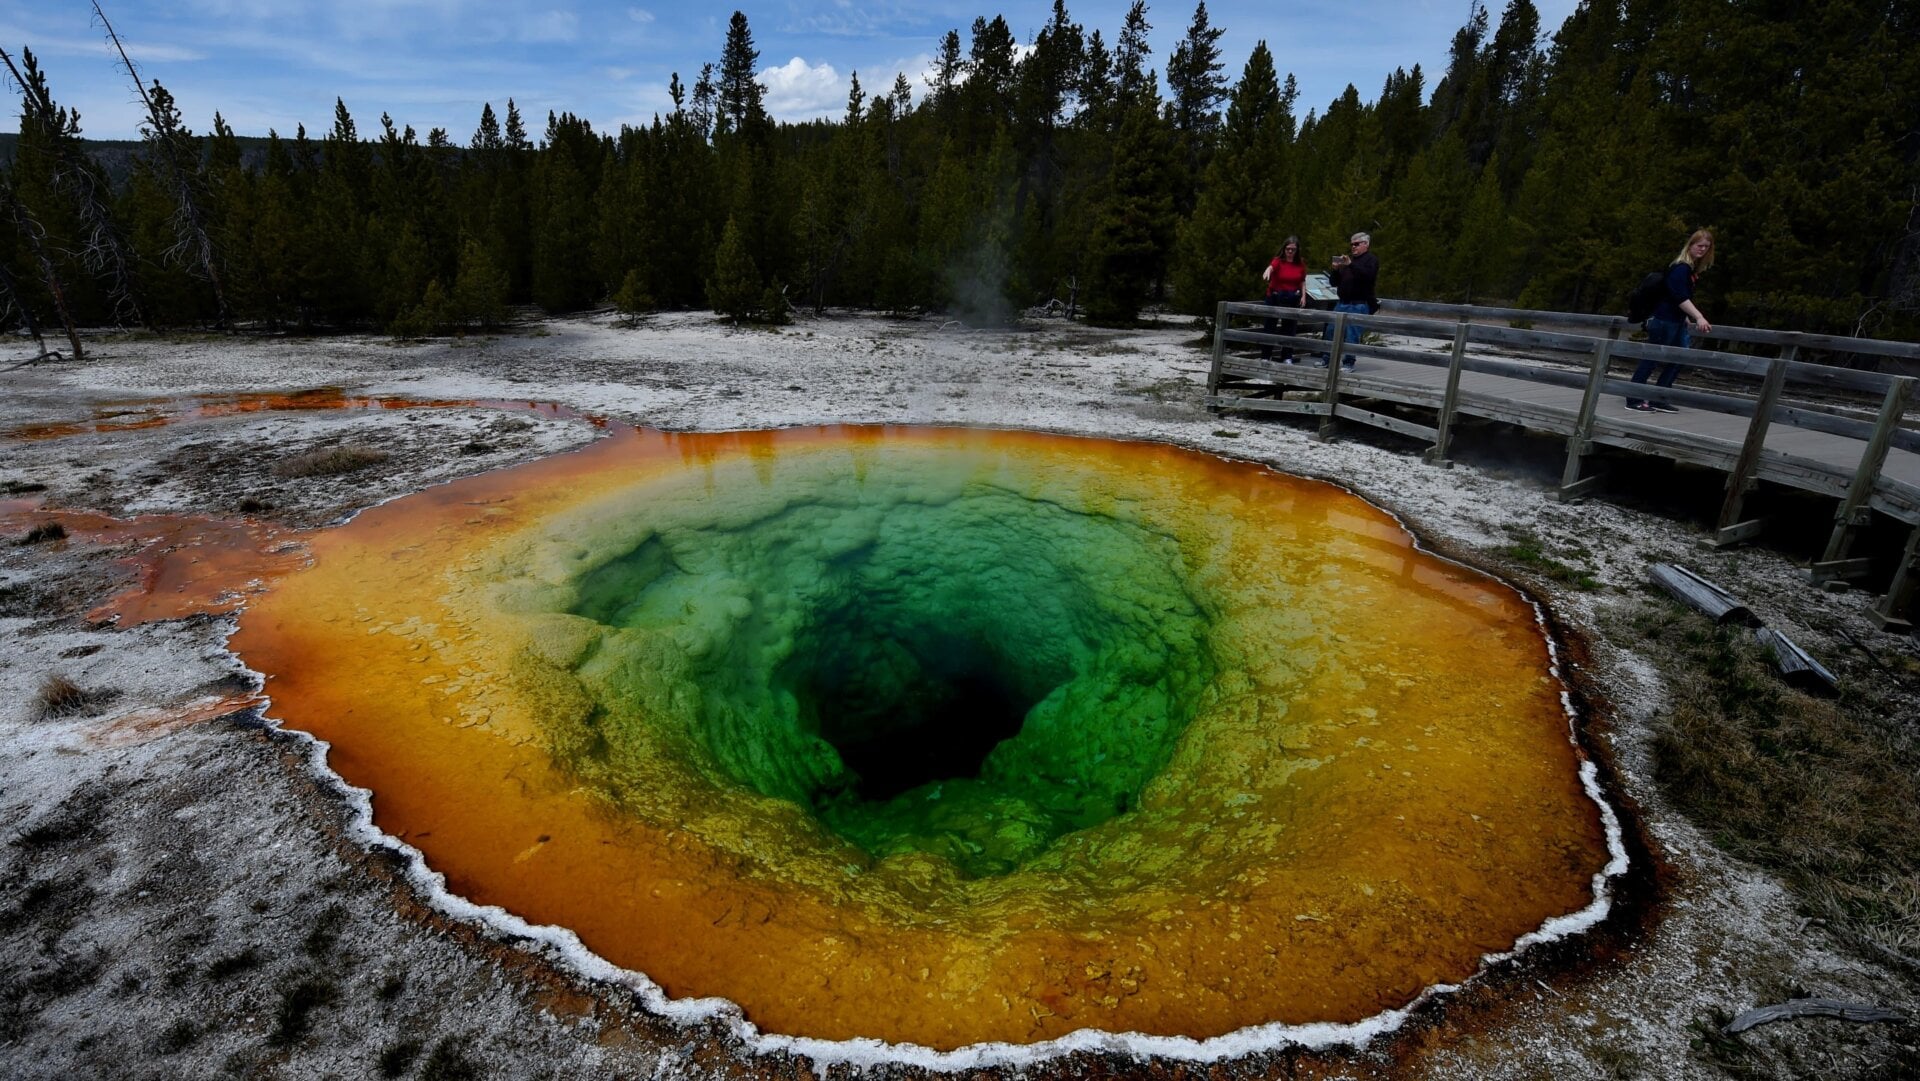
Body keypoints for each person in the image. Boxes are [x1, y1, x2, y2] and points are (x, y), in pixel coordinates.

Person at [1628, 228, 1715, 412]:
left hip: (1676, 320)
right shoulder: (1681, 267)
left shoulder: (1690, 269)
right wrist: (1698, 316)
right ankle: (1633, 398)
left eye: (1706, 247)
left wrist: (1683, 316)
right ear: (1690, 245)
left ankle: (1659, 398)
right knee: (1652, 359)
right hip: (1664, 320)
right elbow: (1678, 296)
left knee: (1679, 358)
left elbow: (1676, 298)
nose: (1702, 250)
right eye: (1699, 246)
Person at [1322, 232, 1378, 370]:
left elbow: (1368, 277)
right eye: (1352, 244)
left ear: (1366, 244)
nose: (1353, 247)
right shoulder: (1348, 262)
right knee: (1330, 331)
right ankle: (1327, 360)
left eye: (1356, 244)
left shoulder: (1371, 260)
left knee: (1352, 335)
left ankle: (1348, 363)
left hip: (1358, 304)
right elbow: (1334, 282)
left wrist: (1351, 264)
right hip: (1342, 303)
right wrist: (1335, 269)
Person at [1259, 236, 1308, 363]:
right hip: (1275, 296)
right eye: (1288, 249)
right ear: (1284, 249)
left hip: (1292, 297)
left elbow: (1302, 281)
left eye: (1293, 249)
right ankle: (1266, 356)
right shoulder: (1278, 261)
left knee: (1289, 328)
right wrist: (1268, 270)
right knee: (1270, 326)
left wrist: (1303, 296)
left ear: (1297, 250)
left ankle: (1287, 356)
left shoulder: (1300, 263)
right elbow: (1272, 266)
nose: (1290, 252)